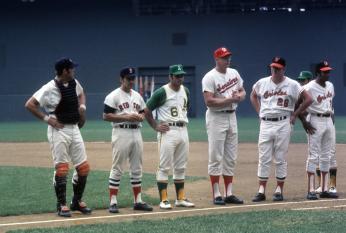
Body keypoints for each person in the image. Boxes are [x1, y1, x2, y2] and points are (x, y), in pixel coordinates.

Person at [25, 58, 92, 217]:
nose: (74, 71)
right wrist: (48, 120)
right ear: (64, 71)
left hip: (74, 128)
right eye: (71, 68)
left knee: (83, 168)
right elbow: (30, 104)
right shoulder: (48, 88)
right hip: (59, 130)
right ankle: (61, 205)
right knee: (62, 169)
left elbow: (81, 94)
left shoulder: (75, 83)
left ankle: (76, 202)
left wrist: (82, 108)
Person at [250, 57, 312, 202]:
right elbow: (253, 95)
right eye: (273, 67)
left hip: (283, 122)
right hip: (266, 123)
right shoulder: (262, 82)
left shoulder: (292, 84)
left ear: (283, 69)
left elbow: (308, 99)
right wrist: (259, 112)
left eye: (278, 68)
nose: (275, 70)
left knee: (280, 157)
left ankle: (279, 190)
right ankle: (261, 190)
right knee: (263, 157)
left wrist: (295, 114)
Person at [144, 64, 195, 209]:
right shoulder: (162, 92)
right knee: (164, 166)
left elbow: (185, 108)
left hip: (183, 129)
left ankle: (180, 198)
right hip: (168, 131)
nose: (180, 78)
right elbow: (147, 110)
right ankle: (164, 199)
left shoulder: (186, 90)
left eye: (182, 75)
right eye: (177, 76)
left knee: (181, 166)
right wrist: (155, 126)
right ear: (170, 76)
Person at [103, 67, 153, 213]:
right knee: (118, 167)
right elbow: (106, 116)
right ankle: (113, 202)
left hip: (137, 132)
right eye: (128, 79)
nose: (131, 81)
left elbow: (143, 111)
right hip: (121, 132)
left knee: (137, 167)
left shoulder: (137, 95)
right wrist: (126, 117)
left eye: (133, 78)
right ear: (121, 79)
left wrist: (141, 117)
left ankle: (138, 201)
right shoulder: (113, 96)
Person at [201, 47, 246, 205]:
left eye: (229, 57)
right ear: (217, 59)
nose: (228, 60)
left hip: (231, 116)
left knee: (230, 157)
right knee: (216, 156)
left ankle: (229, 193)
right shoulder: (209, 77)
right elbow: (209, 101)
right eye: (224, 57)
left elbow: (242, 91)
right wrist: (230, 100)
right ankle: (216, 194)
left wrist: (239, 96)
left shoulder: (234, 73)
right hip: (216, 117)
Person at [301, 61, 338, 199]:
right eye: (324, 71)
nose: (327, 73)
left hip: (328, 120)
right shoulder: (309, 87)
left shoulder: (330, 86)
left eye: (328, 71)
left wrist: (331, 123)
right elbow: (297, 104)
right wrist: (304, 121)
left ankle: (324, 189)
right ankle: (311, 190)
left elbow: (330, 103)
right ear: (318, 73)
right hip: (315, 120)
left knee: (326, 155)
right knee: (313, 155)